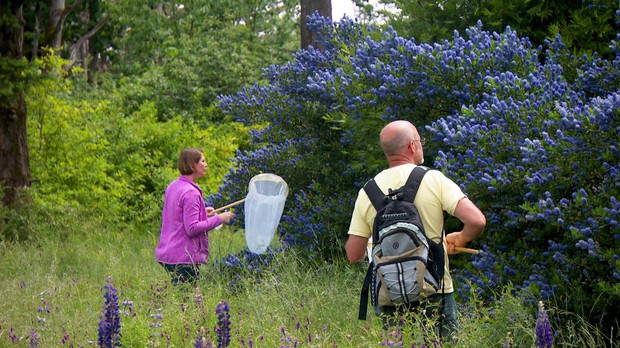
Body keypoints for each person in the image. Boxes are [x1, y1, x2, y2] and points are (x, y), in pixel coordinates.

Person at [345, 120, 486, 339]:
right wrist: (460, 238)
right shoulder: (433, 179)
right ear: (413, 146)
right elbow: (476, 221)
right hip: (434, 290)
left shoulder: (367, 191)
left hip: (389, 296)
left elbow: (353, 255)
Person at [156, 148, 234, 284]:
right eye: (203, 161)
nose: (206, 164)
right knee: (188, 301)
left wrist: (202, 212)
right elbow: (191, 228)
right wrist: (220, 218)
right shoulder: (190, 193)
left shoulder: (173, 186)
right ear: (193, 165)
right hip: (183, 257)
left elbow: (177, 215)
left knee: (192, 300)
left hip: (168, 253)